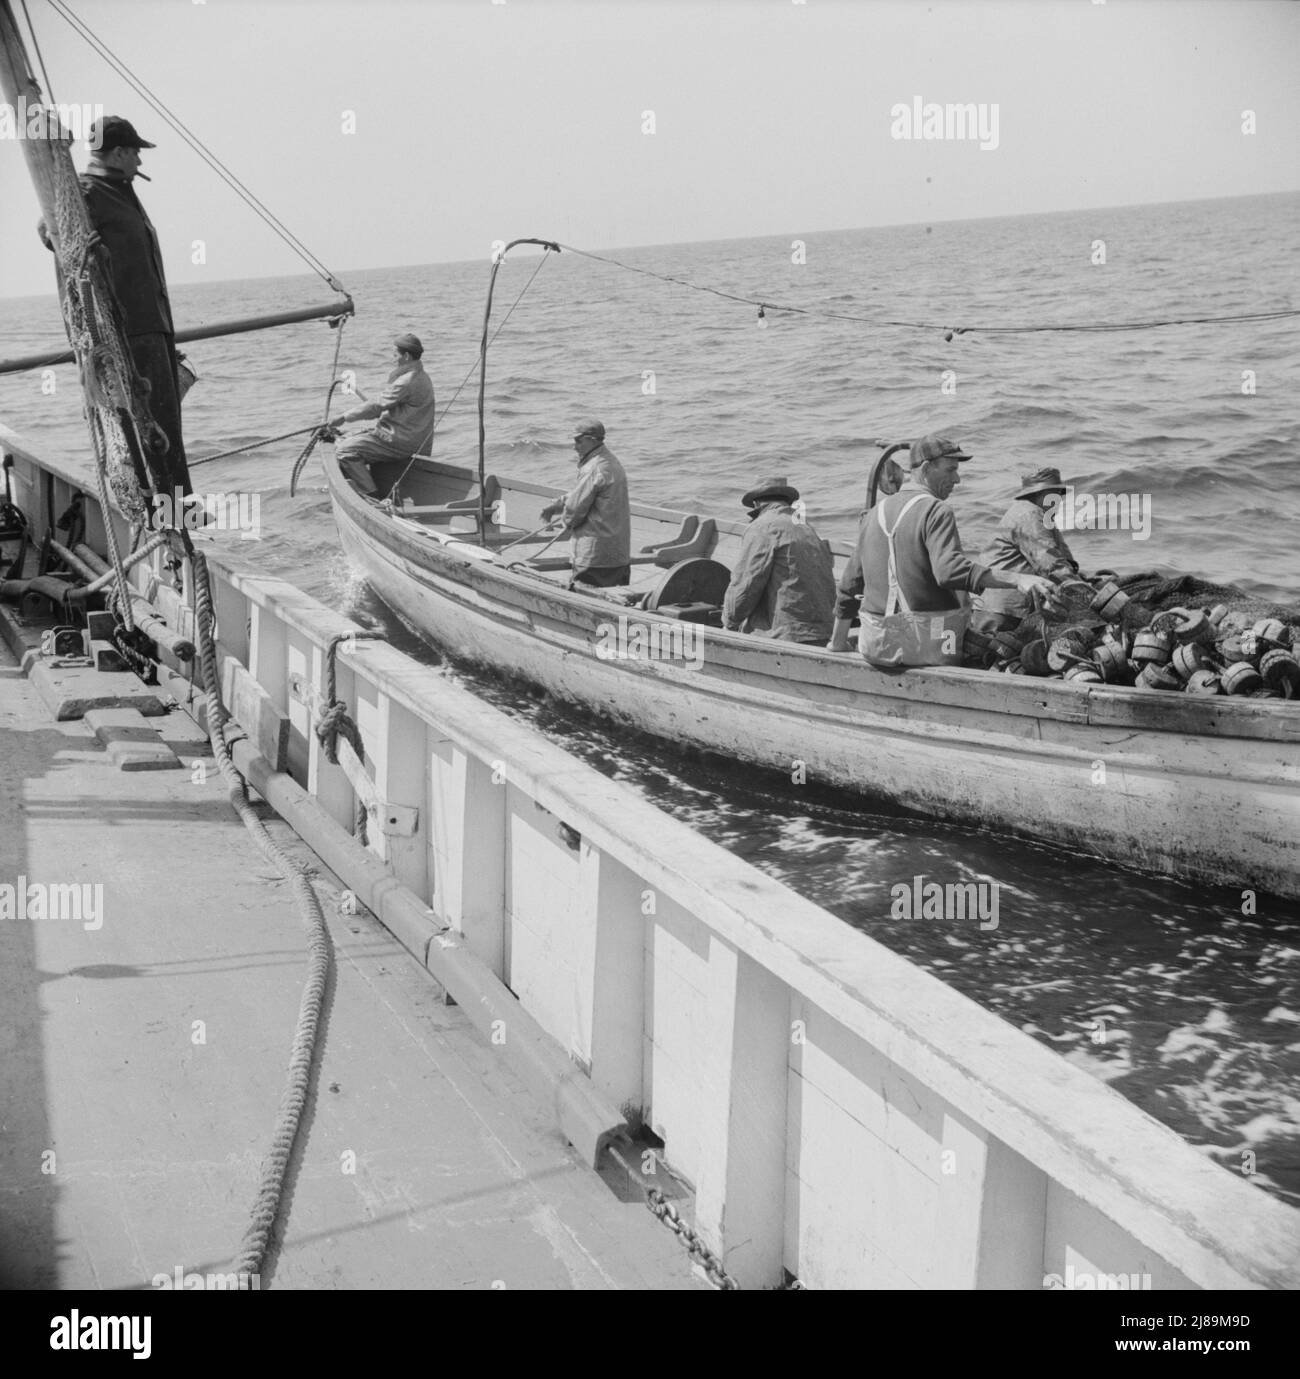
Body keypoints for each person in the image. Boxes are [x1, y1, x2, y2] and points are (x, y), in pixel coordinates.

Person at [39, 116, 192, 498]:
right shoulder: (88, 191)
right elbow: (49, 227)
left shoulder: (120, 189)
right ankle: (164, 517)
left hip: (152, 326)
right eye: (136, 153)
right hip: (125, 331)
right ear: (120, 152)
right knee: (146, 429)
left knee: (166, 427)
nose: (140, 161)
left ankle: (178, 516)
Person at [827, 433, 1056, 666]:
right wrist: (1018, 579)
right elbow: (949, 571)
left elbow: (850, 584)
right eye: (950, 470)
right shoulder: (936, 510)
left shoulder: (873, 514)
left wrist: (837, 642)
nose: (957, 479)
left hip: (877, 645)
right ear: (926, 469)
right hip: (929, 648)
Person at [721, 477, 835, 644]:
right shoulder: (806, 527)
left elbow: (745, 587)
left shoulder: (761, 527)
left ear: (756, 504)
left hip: (788, 636)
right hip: (825, 631)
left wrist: (728, 623)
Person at [971, 466, 1082, 629]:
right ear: (1039, 494)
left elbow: (1065, 563)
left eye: (1059, 495)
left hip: (1004, 607)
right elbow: (1052, 565)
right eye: (1055, 494)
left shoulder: (1041, 517)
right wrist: (1086, 597)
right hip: (1001, 611)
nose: (1059, 500)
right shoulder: (1029, 514)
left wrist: (1081, 582)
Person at [329, 333, 437, 495]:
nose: (392, 359)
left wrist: (343, 417)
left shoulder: (407, 381)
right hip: (412, 440)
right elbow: (381, 406)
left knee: (344, 451)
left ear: (406, 356)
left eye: (395, 355)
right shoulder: (422, 377)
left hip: (399, 442)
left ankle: (372, 495)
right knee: (345, 438)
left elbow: (376, 406)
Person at [539, 420, 631, 588]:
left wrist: (564, 522)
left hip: (594, 558)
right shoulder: (611, 461)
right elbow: (585, 495)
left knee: (585, 603)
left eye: (578, 441)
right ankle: (623, 616)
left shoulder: (593, 468)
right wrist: (559, 504)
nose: (575, 447)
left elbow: (574, 511)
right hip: (619, 557)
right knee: (617, 604)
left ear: (592, 440)